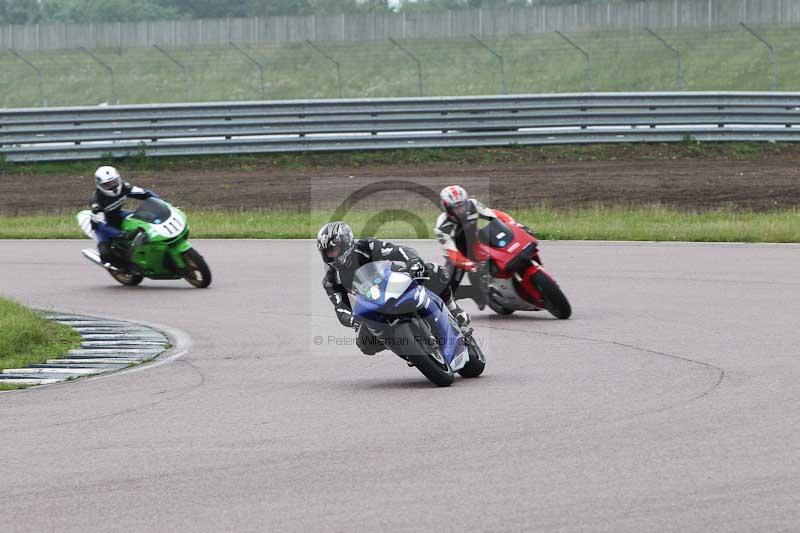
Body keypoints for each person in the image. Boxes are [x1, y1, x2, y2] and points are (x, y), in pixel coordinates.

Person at [317, 221, 471, 356]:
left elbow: (400, 251)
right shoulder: (331, 280)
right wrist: (352, 319)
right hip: (373, 304)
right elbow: (340, 308)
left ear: (346, 242)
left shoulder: (367, 247)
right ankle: (406, 346)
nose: (332, 255)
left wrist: (414, 262)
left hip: (397, 280)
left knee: (436, 271)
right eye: (328, 252)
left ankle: (454, 308)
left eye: (334, 249)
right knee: (364, 343)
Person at [435, 185, 536, 301]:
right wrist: (470, 265)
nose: (461, 210)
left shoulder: (473, 205)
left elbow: (495, 215)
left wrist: (517, 226)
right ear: (447, 208)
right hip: (458, 253)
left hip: (476, 241)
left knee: (500, 248)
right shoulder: (442, 226)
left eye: (462, 205)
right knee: (446, 289)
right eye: (456, 208)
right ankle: (469, 294)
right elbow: (452, 253)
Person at [90, 166, 159, 268]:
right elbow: (101, 225)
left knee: (146, 219)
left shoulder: (124, 187)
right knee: (106, 254)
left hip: (119, 214)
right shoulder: (97, 201)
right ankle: (123, 268)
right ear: (100, 185)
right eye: (108, 184)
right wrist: (121, 234)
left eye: (114, 182)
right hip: (104, 225)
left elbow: (144, 193)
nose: (113, 186)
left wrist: (160, 201)